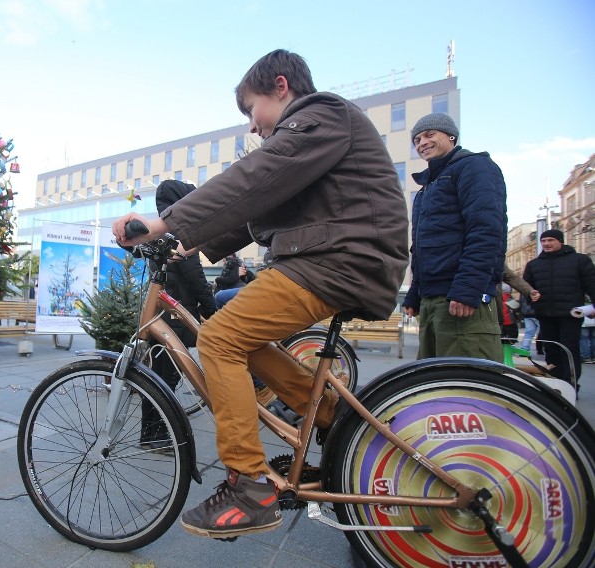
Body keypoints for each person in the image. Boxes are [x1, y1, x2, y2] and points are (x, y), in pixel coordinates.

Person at [113, 49, 408, 539]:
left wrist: (163, 220)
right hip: (339, 259)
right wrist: (185, 242)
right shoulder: (315, 138)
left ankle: (248, 485)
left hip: (340, 261)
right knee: (240, 340)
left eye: (252, 110)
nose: (252, 126)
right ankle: (336, 422)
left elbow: (254, 180)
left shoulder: (323, 115)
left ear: (280, 86)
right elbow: (258, 213)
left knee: (219, 338)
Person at [402, 113, 508, 362]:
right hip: (433, 300)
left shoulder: (474, 167)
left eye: (430, 135)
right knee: (433, 386)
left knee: (466, 388)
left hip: (460, 298)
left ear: (451, 136)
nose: (422, 143)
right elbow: (422, 248)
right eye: (416, 139)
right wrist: (415, 292)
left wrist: (467, 289)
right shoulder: (428, 186)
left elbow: (487, 231)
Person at [141, 180, 217, 452]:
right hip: (175, 315)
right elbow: (196, 278)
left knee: (157, 376)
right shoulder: (178, 236)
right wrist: (211, 311)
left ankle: (152, 433)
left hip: (161, 315)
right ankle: (154, 436)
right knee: (166, 379)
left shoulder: (160, 235)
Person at [523, 229, 595, 387]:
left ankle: (571, 383)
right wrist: (531, 297)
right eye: (543, 241)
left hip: (570, 315)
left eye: (550, 240)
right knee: (551, 350)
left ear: (560, 241)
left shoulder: (579, 260)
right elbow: (526, 288)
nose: (546, 244)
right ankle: (554, 383)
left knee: (569, 350)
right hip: (545, 314)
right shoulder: (533, 264)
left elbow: (591, 284)